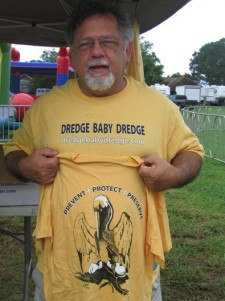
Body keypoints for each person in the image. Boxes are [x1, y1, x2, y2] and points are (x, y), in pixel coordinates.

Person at [3, 1, 204, 300]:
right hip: (58, 274)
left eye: (108, 42)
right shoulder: (46, 108)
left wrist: (173, 174)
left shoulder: (158, 107)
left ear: (126, 51)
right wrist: (24, 166)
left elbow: (192, 153)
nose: (97, 51)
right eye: (85, 44)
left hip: (138, 272)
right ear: (72, 55)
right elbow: (13, 152)